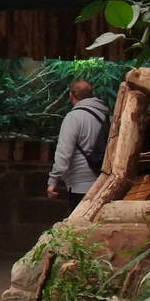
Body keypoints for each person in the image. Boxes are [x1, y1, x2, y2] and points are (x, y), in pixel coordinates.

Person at [46, 79, 110, 212]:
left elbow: (64, 152)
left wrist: (53, 180)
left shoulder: (73, 117)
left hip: (79, 184)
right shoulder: (104, 115)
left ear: (71, 95)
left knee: (77, 227)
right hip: (101, 180)